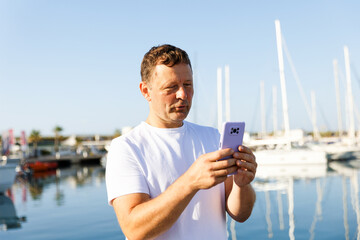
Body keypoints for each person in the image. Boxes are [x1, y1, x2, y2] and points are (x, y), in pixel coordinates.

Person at [106, 44, 257, 240]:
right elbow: (135, 230)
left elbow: (240, 214)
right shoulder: (126, 148)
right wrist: (191, 182)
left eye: (188, 85)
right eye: (171, 87)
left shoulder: (213, 137)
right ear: (146, 91)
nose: (183, 95)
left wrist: (242, 184)